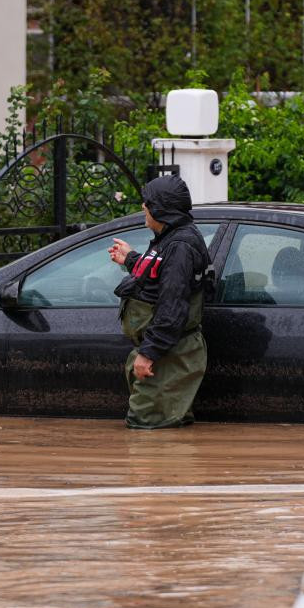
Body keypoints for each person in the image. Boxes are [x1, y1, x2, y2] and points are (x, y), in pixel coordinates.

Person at [108, 174, 212, 429]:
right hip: (166, 351)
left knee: (147, 429)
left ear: (160, 209)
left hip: (169, 353)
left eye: (148, 202)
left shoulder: (180, 245)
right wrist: (131, 259)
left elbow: (172, 306)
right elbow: (158, 274)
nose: (143, 207)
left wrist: (148, 353)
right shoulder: (171, 238)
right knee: (163, 427)